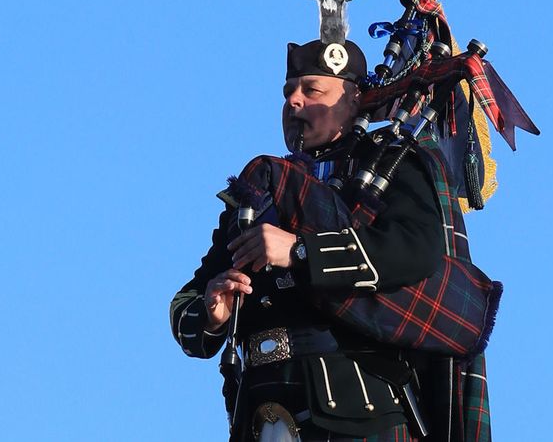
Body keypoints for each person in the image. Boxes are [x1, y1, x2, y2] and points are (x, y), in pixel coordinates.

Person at [170, 37, 446, 441]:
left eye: (312, 90)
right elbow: (186, 305)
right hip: (261, 413)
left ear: (353, 101)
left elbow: (417, 251)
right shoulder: (256, 190)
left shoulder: (393, 163)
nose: (293, 102)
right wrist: (213, 314)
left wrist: (300, 251)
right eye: (288, 92)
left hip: (359, 408)